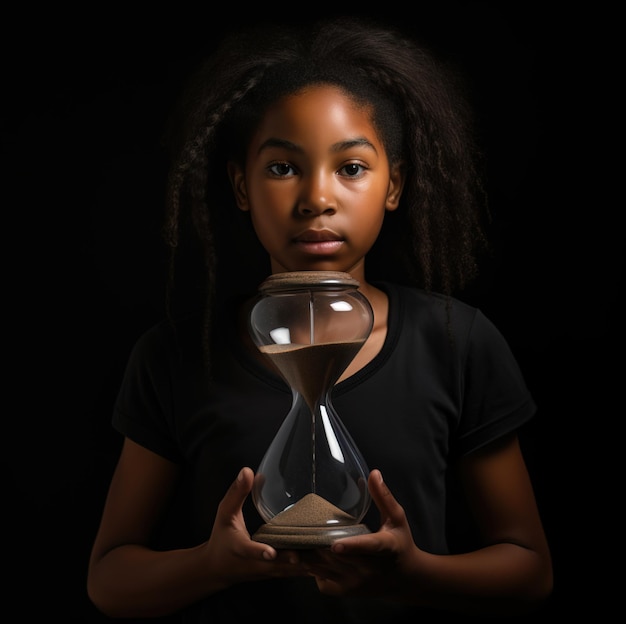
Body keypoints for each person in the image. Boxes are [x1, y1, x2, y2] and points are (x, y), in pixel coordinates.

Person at [87, 15, 553, 623]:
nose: (317, 198)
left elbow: (530, 568)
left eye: (351, 168)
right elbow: (108, 577)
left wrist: (415, 575)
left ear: (395, 185)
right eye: (282, 168)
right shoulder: (175, 355)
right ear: (241, 185)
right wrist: (212, 564)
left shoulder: (456, 342)